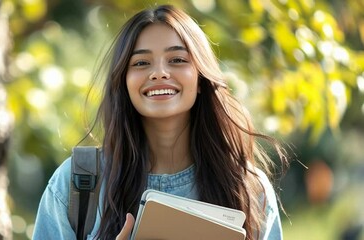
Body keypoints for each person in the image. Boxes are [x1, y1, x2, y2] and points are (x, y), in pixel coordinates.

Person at [33, 4, 288, 240]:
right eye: (141, 63)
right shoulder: (76, 182)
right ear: (123, 81)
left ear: (200, 78)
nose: (159, 73)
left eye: (177, 59)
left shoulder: (249, 188)